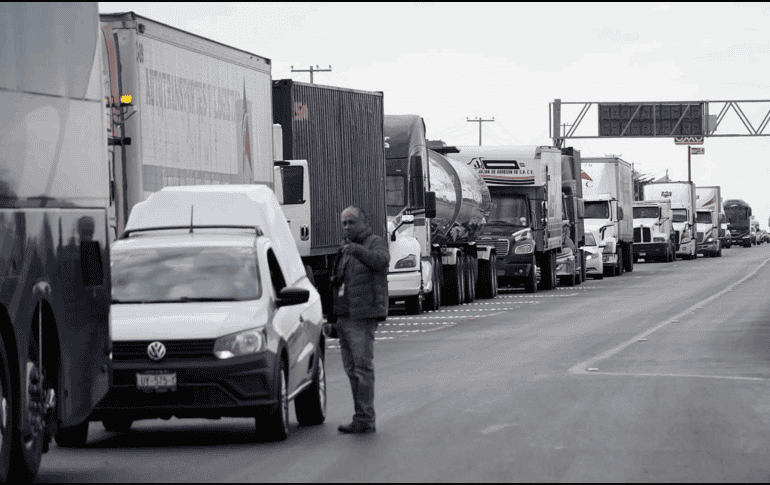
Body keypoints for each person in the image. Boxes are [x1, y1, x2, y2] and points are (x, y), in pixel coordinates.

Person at [328, 205, 389, 434]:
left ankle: (365, 417)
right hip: (345, 317)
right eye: (344, 223)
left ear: (364, 221)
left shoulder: (375, 243)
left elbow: (380, 262)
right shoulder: (344, 249)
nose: (347, 227)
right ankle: (360, 416)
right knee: (351, 369)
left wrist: (356, 251)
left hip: (363, 317)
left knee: (362, 368)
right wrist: (333, 320)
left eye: (351, 222)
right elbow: (337, 284)